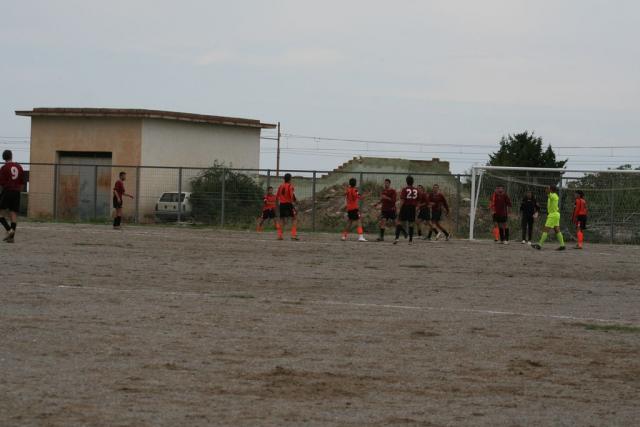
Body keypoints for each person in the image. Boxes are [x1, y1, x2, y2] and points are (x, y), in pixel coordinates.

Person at [0, 150, 25, 243]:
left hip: (7, 190)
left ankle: (9, 230)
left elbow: (1, 183)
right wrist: (18, 191)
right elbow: (22, 182)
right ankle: (11, 238)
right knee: (13, 213)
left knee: (0, 212)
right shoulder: (19, 166)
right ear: (11, 156)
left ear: (3, 158)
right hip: (16, 192)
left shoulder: (4, 168)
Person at [532, 184, 565, 251]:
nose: (547, 189)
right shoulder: (554, 195)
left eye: (548, 188)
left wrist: (548, 192)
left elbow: (550, 195)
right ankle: (562, 245)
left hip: (553, 215)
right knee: (557, 230)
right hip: (555, 214)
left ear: (551, 189)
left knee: (545, 230)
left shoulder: (553, 195)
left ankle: (539, 245)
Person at [394, 175, 419, 244]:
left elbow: (402, 200)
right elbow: (418, 200)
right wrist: (416, 207)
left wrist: (399, 208)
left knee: (399, 221)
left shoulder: (405, 189)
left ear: (406, 181)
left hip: (405, 206)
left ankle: (397, 238)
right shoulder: (416, 190)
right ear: (413, 182)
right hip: (412, 207)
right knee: (411, 223)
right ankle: (410, 240)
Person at [276, 173, 299, 240]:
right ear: (290, 179)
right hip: (288, 204)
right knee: (294, 219)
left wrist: (277, 205)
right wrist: (295, 204)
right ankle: (293, 235)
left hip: (282, 204)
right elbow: (292, 196)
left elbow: (277, 196)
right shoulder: (290, 186)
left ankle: (280, 236)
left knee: (282, 220)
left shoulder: (280, 186)